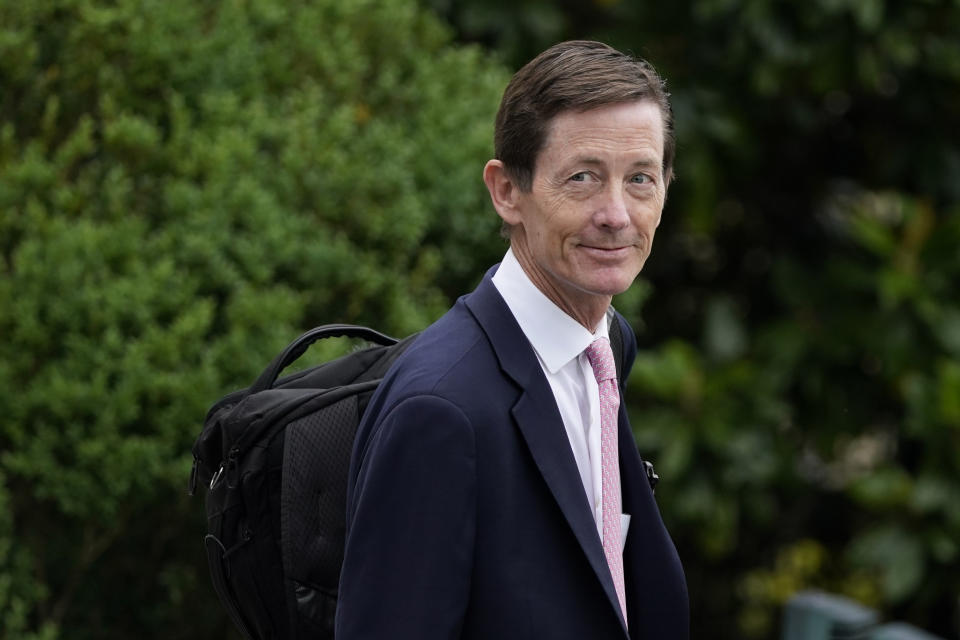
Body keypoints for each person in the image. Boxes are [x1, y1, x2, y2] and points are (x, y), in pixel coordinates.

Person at [335, 40, 689, 639]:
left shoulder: (606, 345)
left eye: (640, 179)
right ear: (506, 192)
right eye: (582, 177)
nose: (616, 214)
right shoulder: (441, 410)